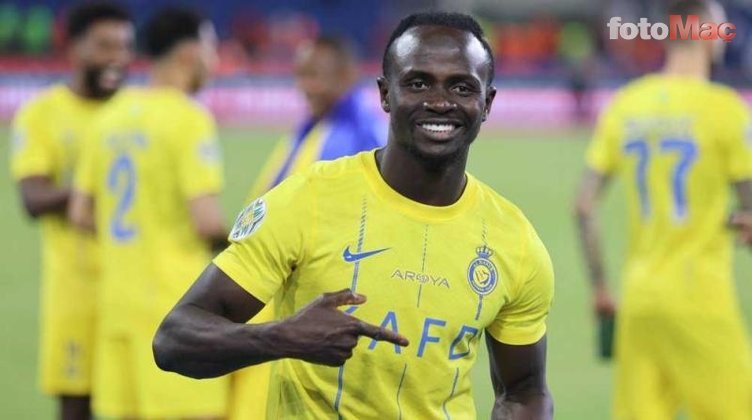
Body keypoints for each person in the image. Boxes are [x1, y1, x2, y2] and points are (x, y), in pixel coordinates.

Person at [154, 11, 554, 419]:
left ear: (487, 103)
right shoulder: (309, 199)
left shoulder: (515, 243)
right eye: (418, 83)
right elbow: (174, 339)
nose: (439, 102)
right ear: (385, 94)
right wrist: (283, 337)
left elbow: (525, 392)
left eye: (462, 87)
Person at [574, 1, 752, 418]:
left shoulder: (627, 104)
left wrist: (600, 288)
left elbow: (583, 206)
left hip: (638, 298)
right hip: (699, 296)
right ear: (708, 34)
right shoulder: (724, 109)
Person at [68, 7, 228, 419]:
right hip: (177, 310)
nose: (215, 60)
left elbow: (80, 213)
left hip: (117, 305)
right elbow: (206, 221)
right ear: (189, 53)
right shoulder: (188, 117)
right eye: (211, 48)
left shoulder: (109, 116)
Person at [230, 35, 387, 420]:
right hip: (276, 301)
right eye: (300, 75)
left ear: (346, 75)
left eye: (315, 75)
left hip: (303, 309)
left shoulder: (354, 138)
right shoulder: (316, 127)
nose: (305, 86)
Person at [9, 2, 133, 419]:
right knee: (76, 408)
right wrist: (91, 187)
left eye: (124, 46)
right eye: (104, 45)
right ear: (73, 47)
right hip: (76, 292)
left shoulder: (136, 113)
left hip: (136, 289)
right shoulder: (41, 114)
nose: (117, 57)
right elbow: (33, 198)